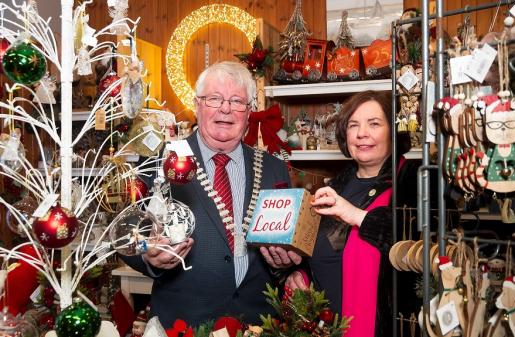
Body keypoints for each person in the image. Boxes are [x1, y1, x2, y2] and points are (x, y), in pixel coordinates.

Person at [121, 61, 300, 329]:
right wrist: (147, 255)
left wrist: (285, 265)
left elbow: (288, 245)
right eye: (214, 99)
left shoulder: (274, 169)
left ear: (249, 112)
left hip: (257, 324)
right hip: (183, 324)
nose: (225, 109)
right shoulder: (160, 162)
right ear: (197, 105)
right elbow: (125, 231)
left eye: (237, 101)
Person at [285, 90, 410, 337]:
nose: (362, 133)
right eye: (354, 125)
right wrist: (300, 275)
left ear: (393, 131)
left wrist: (356, 215)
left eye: (374, 124)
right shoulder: (334, 187)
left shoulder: (413, 181)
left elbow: (414, 243)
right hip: (322, 328)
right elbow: (322, 253)